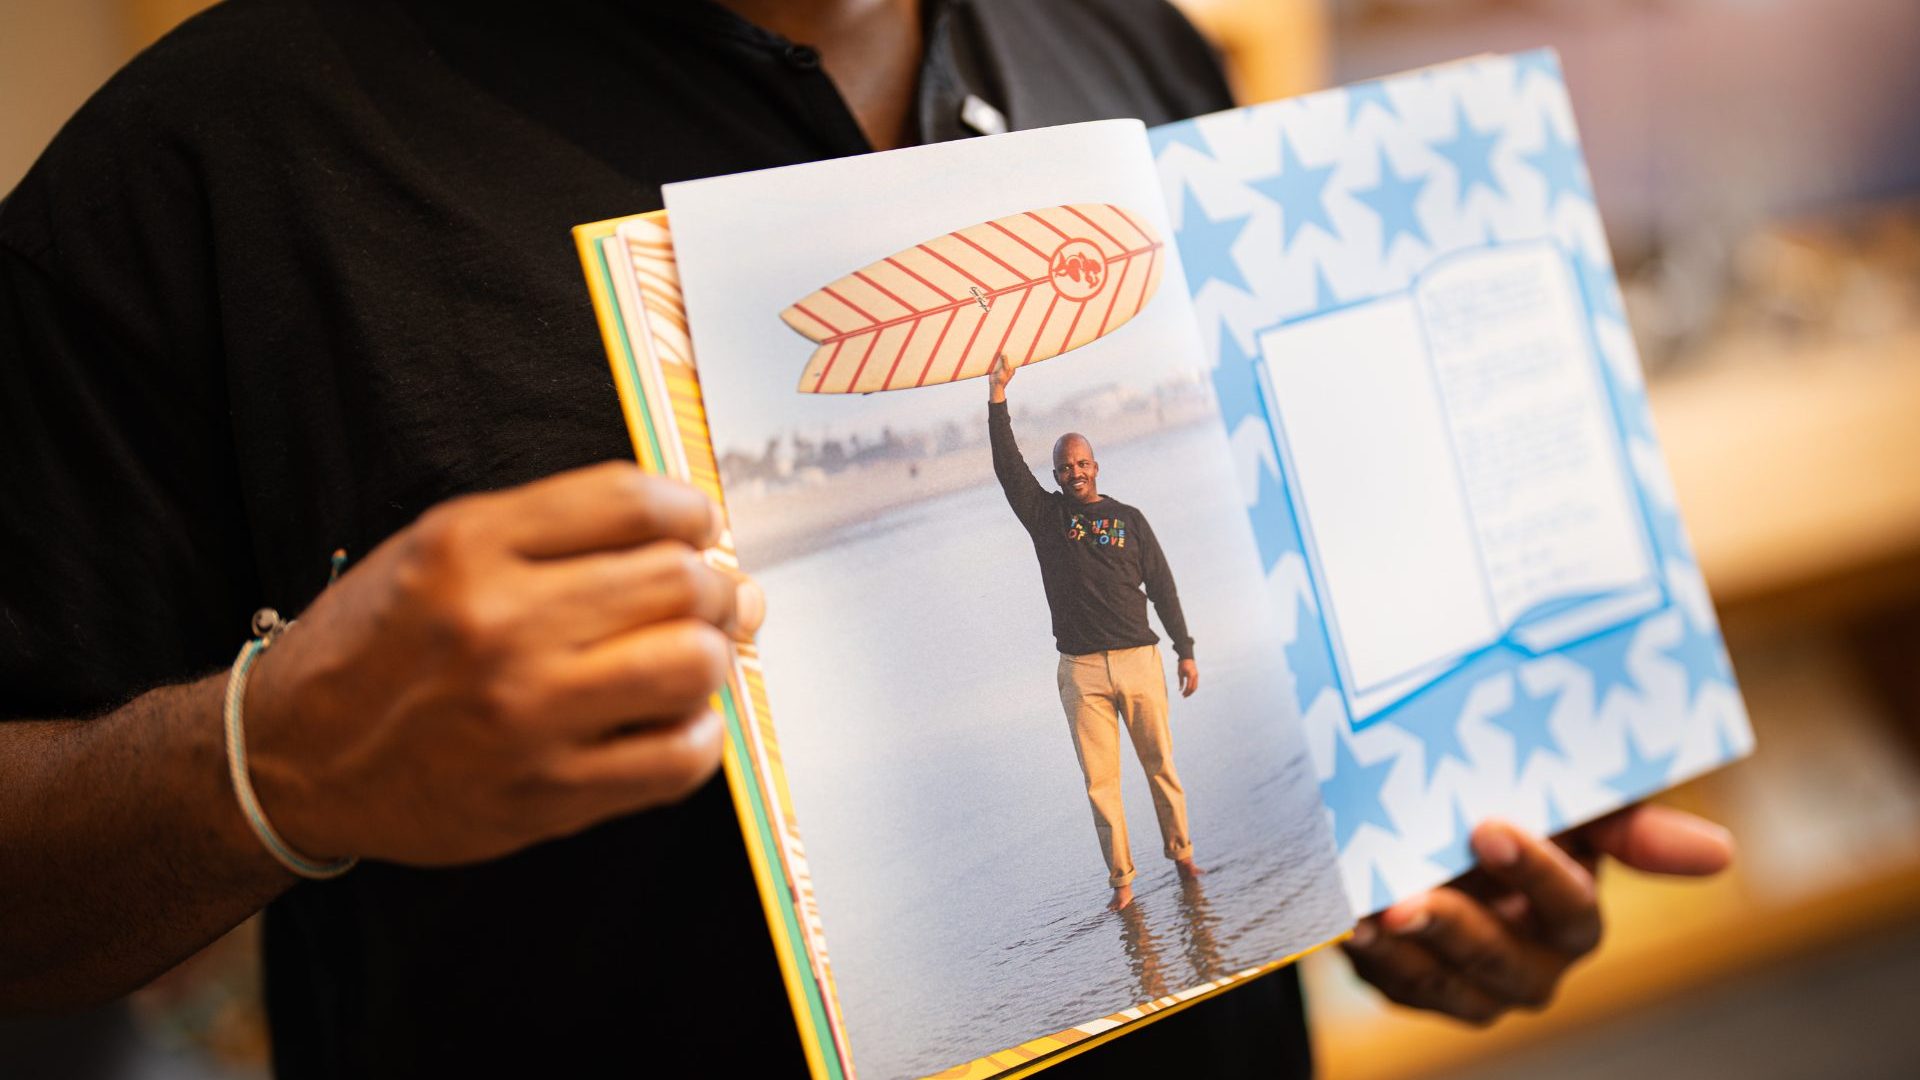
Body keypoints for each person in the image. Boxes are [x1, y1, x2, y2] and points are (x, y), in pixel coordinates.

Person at [0, 1, 1734, 1076]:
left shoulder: (1131, 42)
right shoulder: (225, 155)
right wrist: (274, 765)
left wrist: (1419, 849)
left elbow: (1269, 586)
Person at [987, 353, 1203, 912]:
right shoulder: (1046, 519)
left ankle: (1183, 857)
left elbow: (1163, 586)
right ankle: (1123, 885)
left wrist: (1184, 650)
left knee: (1161, 768)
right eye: (1065, 467)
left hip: (1139, 660)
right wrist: (997, 398)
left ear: (1096, 466)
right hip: (1081, 672)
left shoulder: (1130, 519)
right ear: (1056, 475)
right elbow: (1009, 469)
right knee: (1101, 784)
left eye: (1082, 463)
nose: (1075, 472)